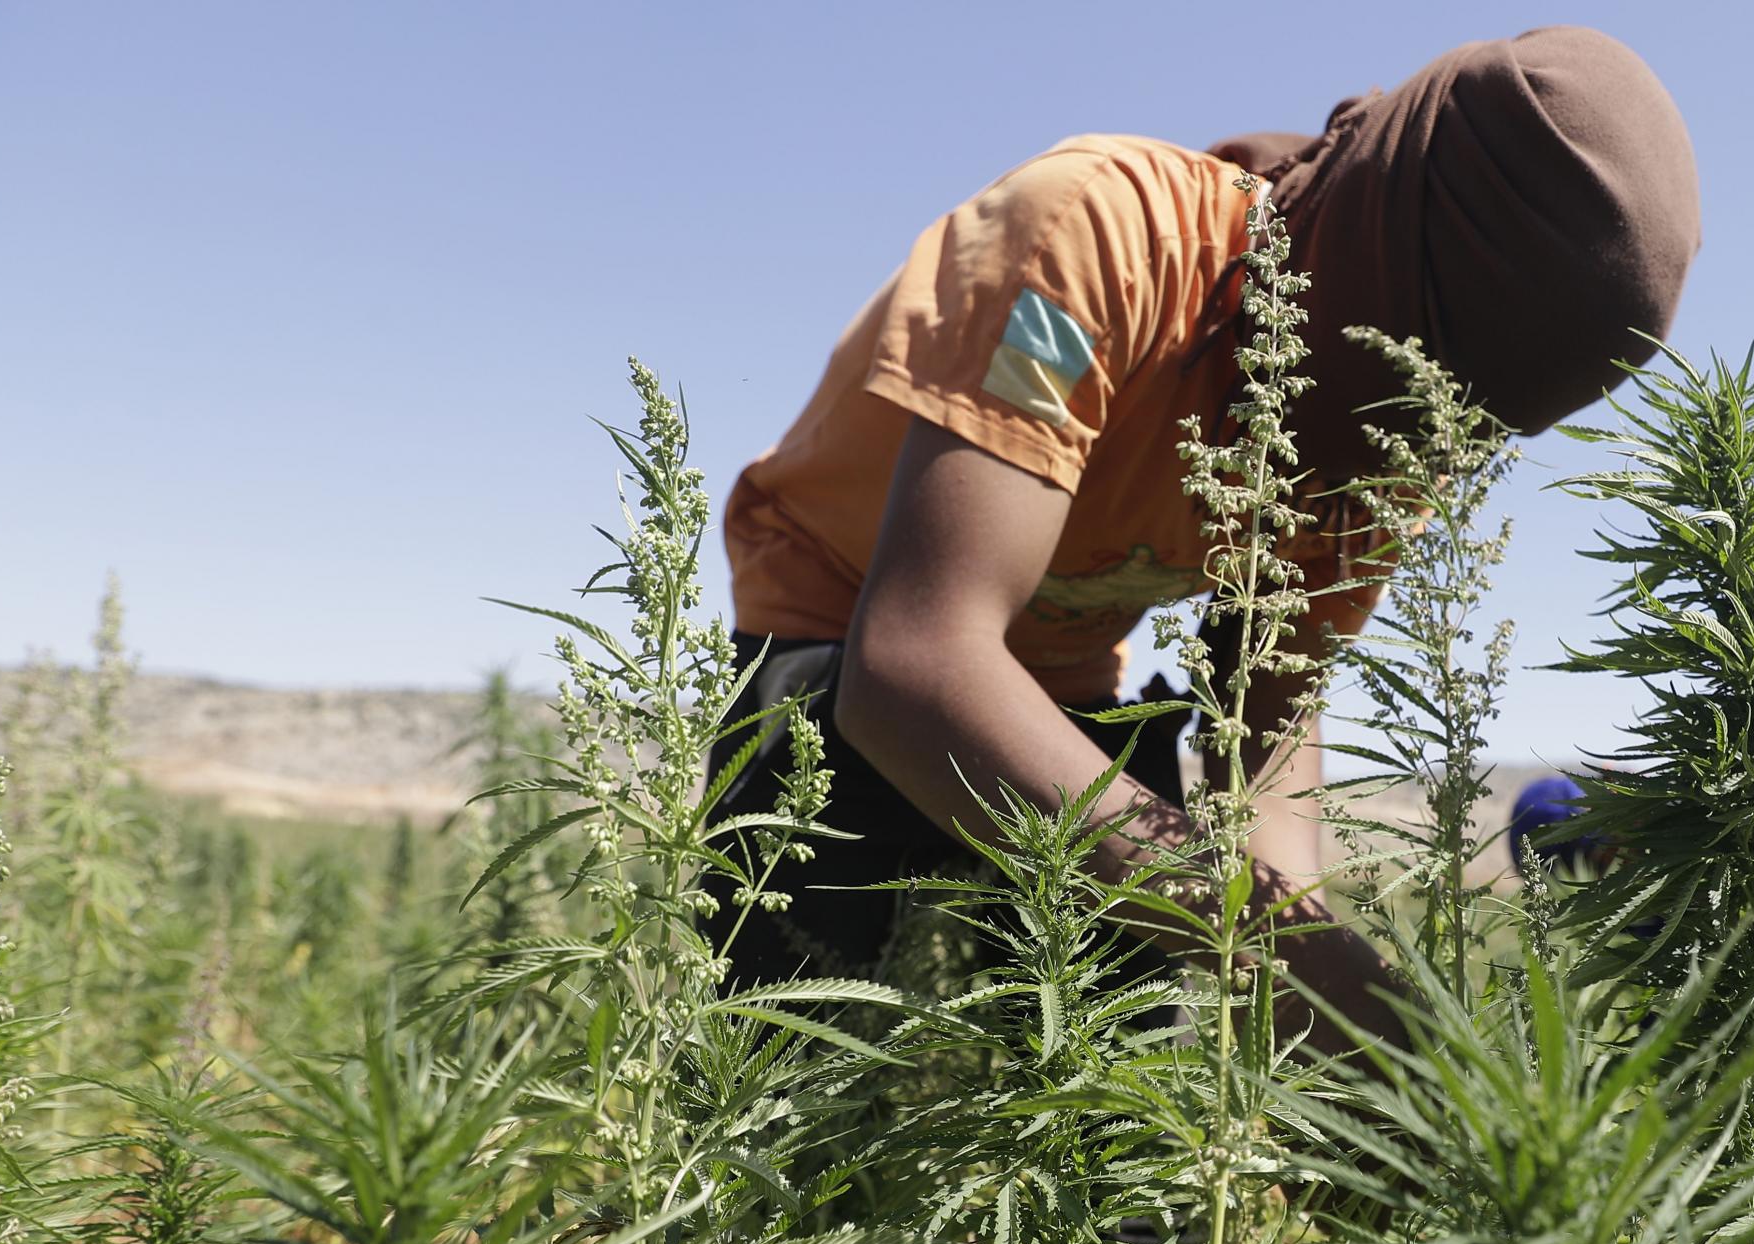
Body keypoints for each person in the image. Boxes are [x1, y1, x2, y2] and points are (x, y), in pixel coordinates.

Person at [704, 24, 1701, 1039]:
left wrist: (1304, 989)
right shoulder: (1097, 241)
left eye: (1457, 431)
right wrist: (1290, 958)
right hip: (835, 636)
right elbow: (917, 663)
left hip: (1059, 683)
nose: (1397, 462)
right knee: (789, 1074)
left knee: (1115, 1105)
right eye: (1392, 400)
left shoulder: (1405, 445)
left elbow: (1263, 741)